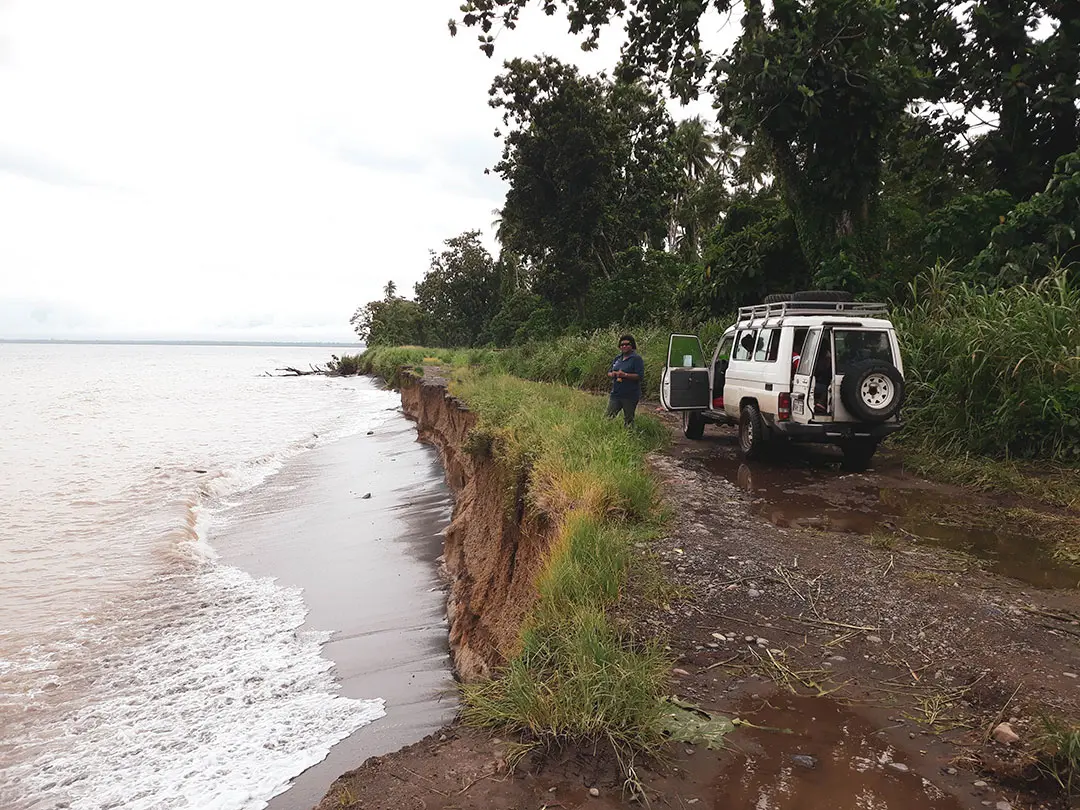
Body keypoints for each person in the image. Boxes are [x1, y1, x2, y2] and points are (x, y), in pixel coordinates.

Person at [606, 335, 644, 426]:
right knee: (608, 417)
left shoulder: (636, 359)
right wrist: (613, 374)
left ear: (632, 345)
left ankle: (630, 437)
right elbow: (609, 372)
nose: (624, 346)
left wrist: (625, 375)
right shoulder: (617, 358)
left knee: (628, 420)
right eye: (622, 344)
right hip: (616, 393)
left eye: (627, 344)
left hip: (630, 395)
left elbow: (640, 376)